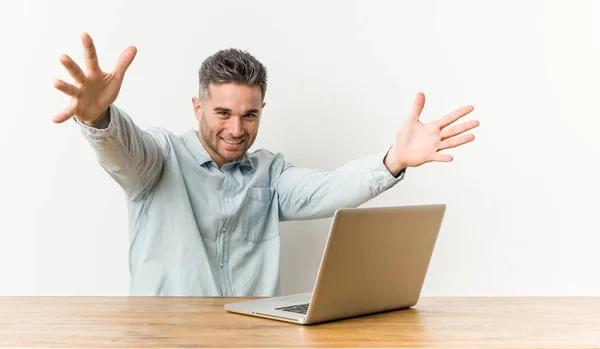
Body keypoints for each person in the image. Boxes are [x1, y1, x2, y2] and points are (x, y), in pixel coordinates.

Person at [52, 33, 479, 296]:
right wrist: (97, 116)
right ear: (198, 106)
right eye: (222, 113)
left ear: (262, 109)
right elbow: (121, 148)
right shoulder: (157, 159)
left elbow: (327, 189)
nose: (237, 129)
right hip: (166, 336)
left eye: (250, 115)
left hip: (253, 337)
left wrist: (393, 159)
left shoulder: (270, 172)